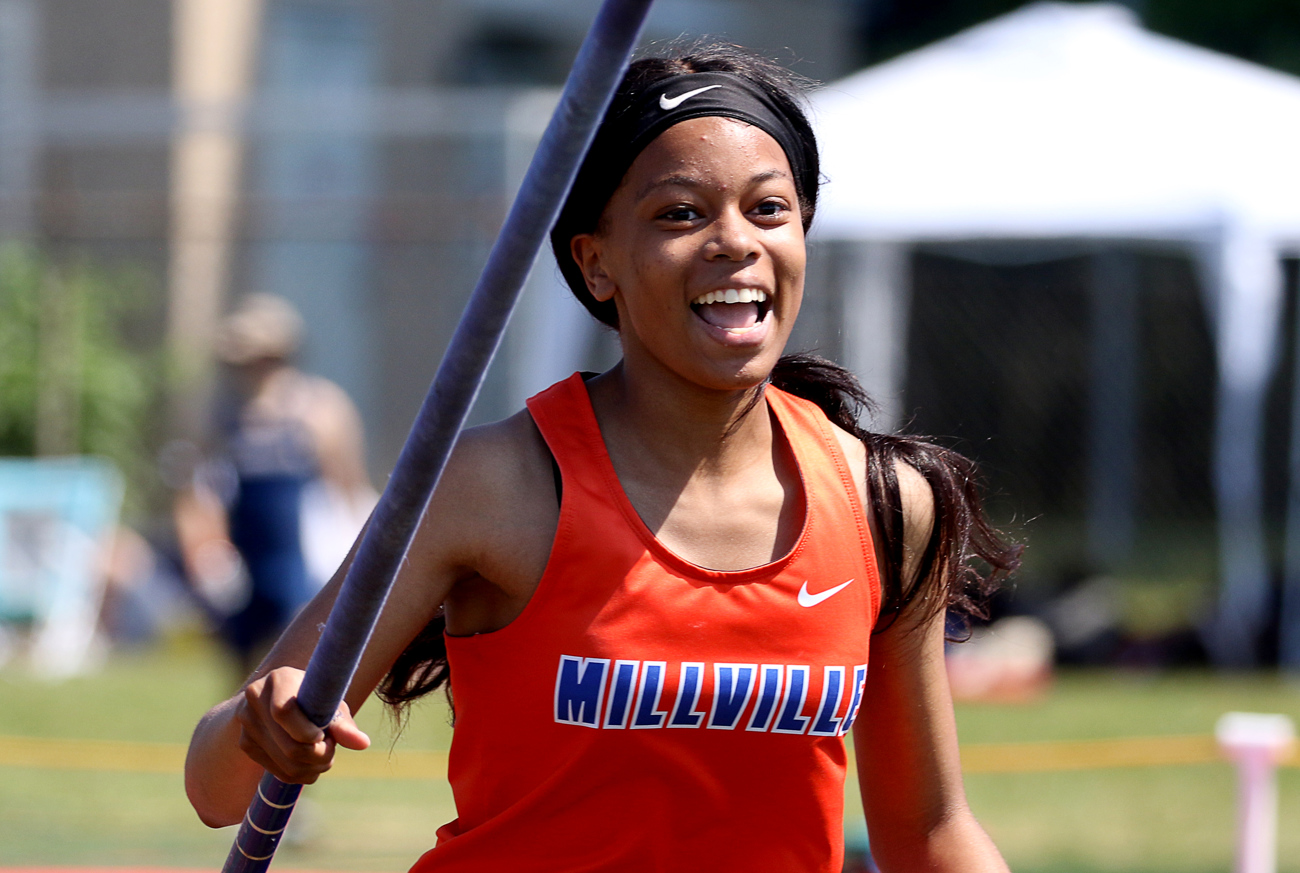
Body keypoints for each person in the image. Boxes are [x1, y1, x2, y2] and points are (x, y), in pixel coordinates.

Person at [185, 44, 1021, 872]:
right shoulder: (495, 485)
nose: (735, 242)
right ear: (596, 260)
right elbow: (218, 787)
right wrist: (264, 724)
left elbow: (928, 832)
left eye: (769, 209)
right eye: (679, 214)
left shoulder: (885, 504)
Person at [174, 293, 374, 678]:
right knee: (242, 658)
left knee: (299, 659)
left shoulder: (320, 408)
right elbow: (200, 493)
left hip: (302, 559)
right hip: (245, 556)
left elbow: (348, 486)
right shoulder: (222, 413)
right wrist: (207, 554)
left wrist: (351, 551)